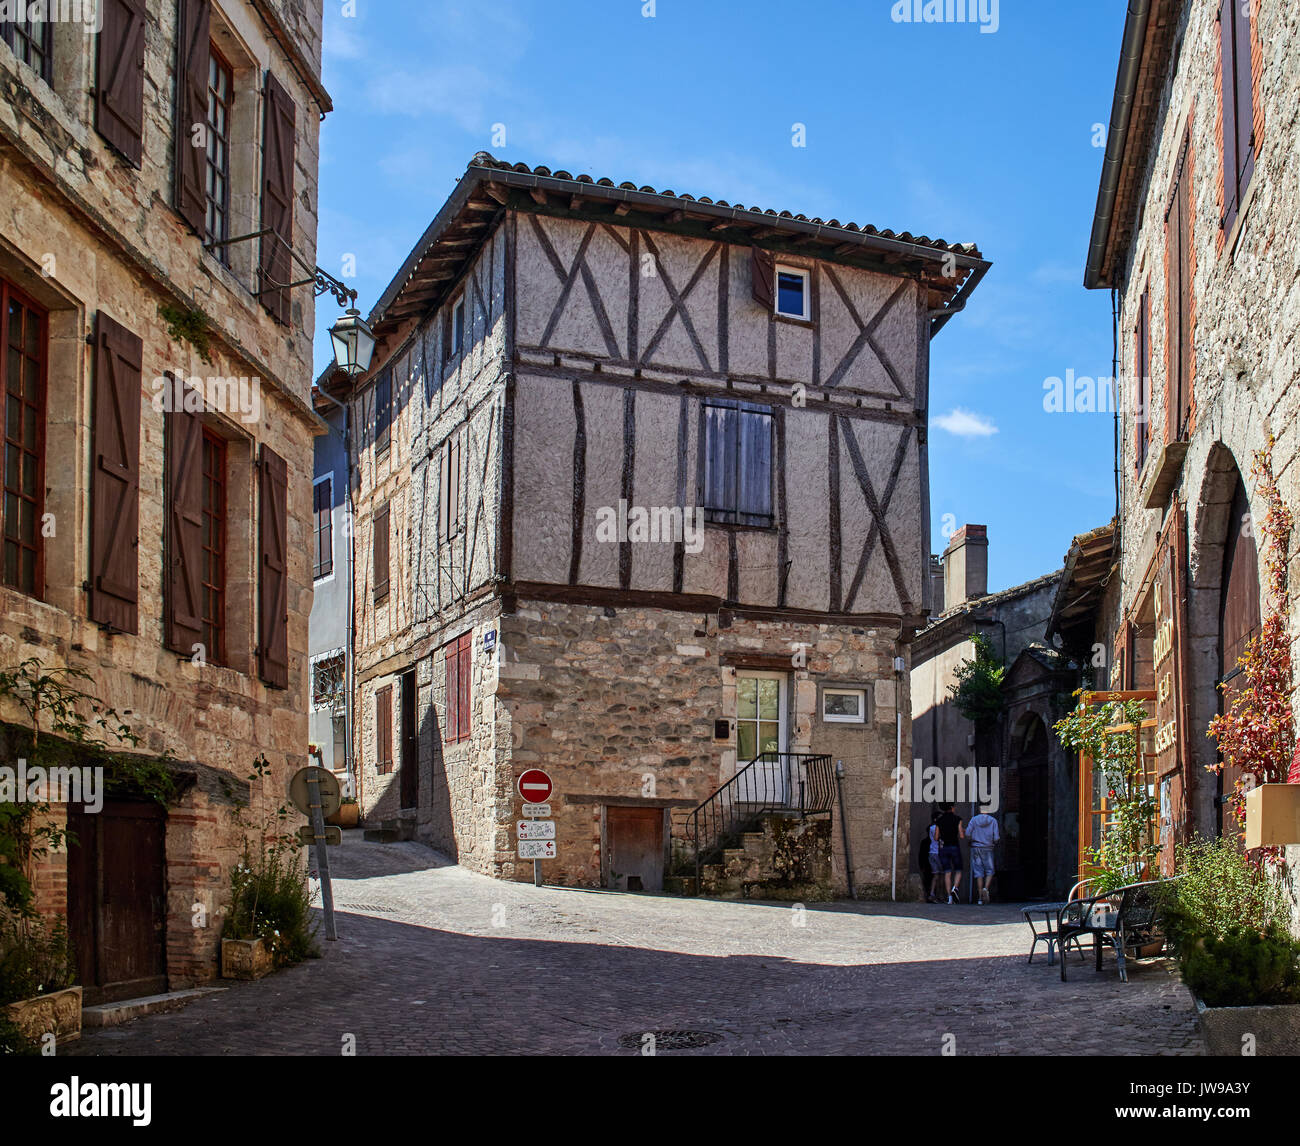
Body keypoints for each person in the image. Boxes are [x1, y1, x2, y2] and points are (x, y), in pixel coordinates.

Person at [966, 806, 1000, 904]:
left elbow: (968, 833)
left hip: (976, 848)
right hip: (988, 848)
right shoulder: (993, 821)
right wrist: (992, 842)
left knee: (978, 872)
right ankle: (986, 888)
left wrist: (972, 840)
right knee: (990, 871)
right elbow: (996, 837)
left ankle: (980, 898)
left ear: (979, 809)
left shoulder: (974, 820)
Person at [936, 803, 964, 904]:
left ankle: (949, 898)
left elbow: (936, 837)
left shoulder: (939, 820)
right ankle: (955, 888)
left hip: (943, 848)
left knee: (947, 873)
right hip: (954, 846)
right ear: (952, 808)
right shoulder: (957, 819)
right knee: (958, 870)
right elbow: (961, 835)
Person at [919, 809, 942, 903]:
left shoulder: (931, 828)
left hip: (932, 854)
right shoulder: (937, 828)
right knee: (941, 875)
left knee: (936, 876)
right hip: (937, 853)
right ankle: (939, 895)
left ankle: (932, 894)